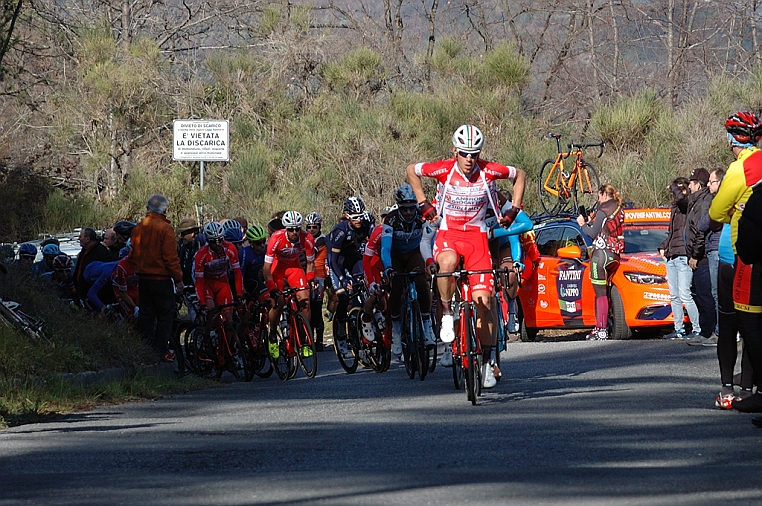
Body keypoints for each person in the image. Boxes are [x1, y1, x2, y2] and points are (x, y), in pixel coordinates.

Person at [406, 124, 526, 389]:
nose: (470, 159)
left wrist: (514, 208)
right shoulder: (443, 169)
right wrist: (422, 202)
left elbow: (520, 175)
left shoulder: (489, 170)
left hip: (477, 238)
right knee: (446, 264)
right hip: (449, 234)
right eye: (464, 153)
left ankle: (485, 363)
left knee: (484, 300)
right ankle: (447, 311)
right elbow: (412, 170)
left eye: (474, 153)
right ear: (455, 151)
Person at [708, 112, 762, 416]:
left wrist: (731, 212)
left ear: (732, 141)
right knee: (754, 326)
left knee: (732, 325)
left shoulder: (740, 168)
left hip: (737, 256)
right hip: (754, 255)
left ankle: (728, 389)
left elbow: (716, 214)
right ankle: (749, 388)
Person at [129, 194, 185, 372]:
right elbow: (171, 258)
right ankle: (160, 351)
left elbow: (132, 254)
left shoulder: (138, 228)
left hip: (143, 279)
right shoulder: (165, 228)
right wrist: (178, 280)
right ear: (164, 209)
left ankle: (146, 350)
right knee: (165, 316)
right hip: (161, 279)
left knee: (146, 315)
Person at [381, 184, 437, 356]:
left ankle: (427, 326)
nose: (409, 213)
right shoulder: (390, 220)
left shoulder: (421, 216)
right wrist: (388, 268)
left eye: (412, 208)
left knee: (421, 282)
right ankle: (397, 331)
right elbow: (385, 248)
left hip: (415, 252)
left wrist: (431, 261)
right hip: (396, 255)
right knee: (396, 287)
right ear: (399, 207)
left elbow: (431, 239)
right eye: (405, 209)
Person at [262, 211, 315, 358]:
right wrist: (272, 287)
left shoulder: (308, 238)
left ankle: (303, 338)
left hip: (294, 268)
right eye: (291, 229)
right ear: (285, 228)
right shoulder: (276, 238)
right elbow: (266, 269)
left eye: (297, 229)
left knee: (305, 300)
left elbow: (310, 263)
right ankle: (272, 334)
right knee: (277, 303)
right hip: (277, 269)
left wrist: (310, 278)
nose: (294, 232)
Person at [577, 184, 625, 340]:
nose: (598, 200)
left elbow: (592, 233)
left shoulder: (603, 210)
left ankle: (601, 329)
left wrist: (582, 224)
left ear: (604, 194)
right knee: (608, 292)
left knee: (601, 295)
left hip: (601, 254)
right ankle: (606, 325)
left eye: (598, 196)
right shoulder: (619, 209)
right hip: (615, 255)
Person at [194, 221, 244, 371]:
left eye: (220, 240)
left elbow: (237, 274)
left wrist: (239, 295)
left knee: (228, 319)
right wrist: (202, 303)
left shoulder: (230, 248)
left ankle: (225, 353)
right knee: (211, 312)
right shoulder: (201, 255)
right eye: (213, 241)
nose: (217, 243)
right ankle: (206, 340)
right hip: (207, 285)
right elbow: (199, 282)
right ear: (207, 241)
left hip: (222, 283)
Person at [326, 198, 373, 355]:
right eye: (354, 217)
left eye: (360, 215)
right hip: (337, 262)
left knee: (368, 286)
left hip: (353, 259)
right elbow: (333, 261)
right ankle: (340, 331)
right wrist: (343, 279)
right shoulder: (340, 231)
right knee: (344, 296)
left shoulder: (366, 224)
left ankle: (366, 317)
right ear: (346, 216)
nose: (358, 219)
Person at [659, 177, 701, 339]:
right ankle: (679, 329)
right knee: (674, 295)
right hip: (672, 255)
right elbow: (673, 233)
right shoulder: (675, 208)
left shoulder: (688, 205)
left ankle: (697, 328)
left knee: (685, 294)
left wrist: (675, 188)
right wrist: (663, 246)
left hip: (684, 255)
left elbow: (683, 200)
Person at [684, 168, 717, 346]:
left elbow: (700, 231)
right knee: (698, 294)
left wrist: (695, 255)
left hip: (702, 258)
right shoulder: (695, 201)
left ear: (698, 184)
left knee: (706, 296)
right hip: (696, 257)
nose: (689, 186)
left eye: (691, 182)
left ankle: (709, 332)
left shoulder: (704, 202)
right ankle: (705, 331)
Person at [696, 168, 726, 346]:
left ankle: (720, 332)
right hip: (712, 248)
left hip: (716, 249)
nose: (708, 185)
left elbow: (705, 223)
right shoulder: (714, 200)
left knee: (717, 293)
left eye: (712, 181)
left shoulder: (720, 201)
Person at [305, 212, 328, 351]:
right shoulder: (306, 239)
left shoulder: (321, 240)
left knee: (317, 309)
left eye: (314, 227)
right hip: (308, 274)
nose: (312, 229)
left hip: (319, 275)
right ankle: (309, 340)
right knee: (308, 308)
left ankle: (318, 342)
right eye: (309, 227)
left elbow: (309, 253)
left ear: (319, 226)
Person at [73, 228, 112, 303]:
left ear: (87, 238)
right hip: (81, 293)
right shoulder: (84, 250)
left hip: (94, 295)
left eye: (81, 237)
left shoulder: (101, 252)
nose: (79, 239)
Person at [112, 244, 140, 322]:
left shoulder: (144, 262)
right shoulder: (122, 266)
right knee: (132, 314)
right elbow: (123, 293)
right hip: (121, 289)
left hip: (134, 286)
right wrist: (135, 307)